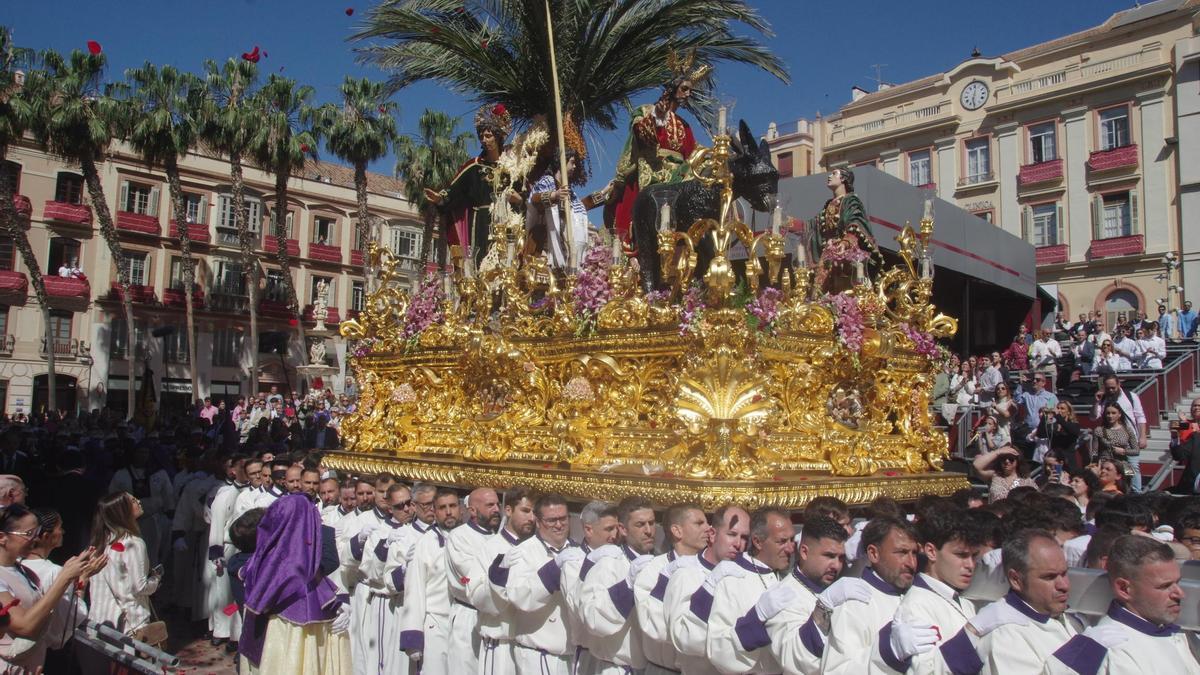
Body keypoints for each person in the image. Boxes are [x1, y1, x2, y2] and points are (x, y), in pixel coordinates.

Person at [1046, 535, 1199, 673]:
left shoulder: (1176, 632)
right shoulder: (1116, 650)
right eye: (1164, 586)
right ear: (1124, 589)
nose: (1180, 594)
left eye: (1177, 583)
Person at [238, 494, 351, 674]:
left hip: (266, 636)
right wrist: (338, 608)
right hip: (291, 634)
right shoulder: (299, 567)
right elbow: (314, 593)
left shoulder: (259, 560)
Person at [609, 52, 708, 248]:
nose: (689, 94)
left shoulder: (684, 125)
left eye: (690, 90)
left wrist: (713, 155)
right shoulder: (646, 111)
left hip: (680, 177)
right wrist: (656, 116)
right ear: (672, 88)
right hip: (652, 171)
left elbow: (694, 151)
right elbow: (640, 133)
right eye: (684, 89)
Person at [871, 507, 986, 674]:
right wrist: (972, 633)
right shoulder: (916, 606)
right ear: (931, 551)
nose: (970, 565)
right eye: (961, 555)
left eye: (974, 556)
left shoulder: (963, 600)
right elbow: (926, 671)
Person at [946, 529, 1078, 673]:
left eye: (1064, 574)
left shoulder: (1072, 620)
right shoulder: (1005, 636)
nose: (1064, 585)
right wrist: (1091, 648)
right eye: (1049, 577)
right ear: (1016, 579)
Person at [0, 504, 104, 673]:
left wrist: (77, 576)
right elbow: (25, 625)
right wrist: (64, 578)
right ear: (2, 537)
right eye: (28, 534)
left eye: (37, 531)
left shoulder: (22, 570)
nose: (36, 538)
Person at [819, 516, 920, 675]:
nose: (912, 563)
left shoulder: (919, 597)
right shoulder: (855, 604)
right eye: (902, 552)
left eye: (914, 553)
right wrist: (888, 652)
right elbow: (837, 670)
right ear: (874, 554)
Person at [491, 492, 574, 675]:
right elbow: (520, 597)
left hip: (571, 656)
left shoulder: (576, 552)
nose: (559, 525)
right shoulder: (523, 552)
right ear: (538, 520)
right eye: (552, 520)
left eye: (563, 519)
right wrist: (553, 570)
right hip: (537, 657)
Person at [705, 508, 795, 674]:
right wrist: (756, 618)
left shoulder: (789, 577)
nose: (790, 548)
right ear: (758, 542)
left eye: (792, 540)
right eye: (782, 541)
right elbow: (717, 650)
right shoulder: (733, 578)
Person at [425, 103, 514, 270]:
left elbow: (524, 194)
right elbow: (455, 188)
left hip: (507, 221)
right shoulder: (474, 166)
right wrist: (440, 198)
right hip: (481, 221)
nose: (484, 140)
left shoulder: (511, 167)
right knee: (481, 263)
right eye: (482, 136)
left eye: (488, 136)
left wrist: (517, 199)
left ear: (498, 136)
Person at [664, 505, 750, 675]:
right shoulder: (685, 576)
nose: (738, 544)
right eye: (732, 534)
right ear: (712, 535)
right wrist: (708, 588)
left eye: (744, 537)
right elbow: (683, 639)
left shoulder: (745, 577)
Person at [577, 495, 657, 674]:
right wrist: (627, 586)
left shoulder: (659, 563)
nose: (648, 530)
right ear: (623, 529)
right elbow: (592, 619)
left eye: (652, 523)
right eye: (640, 524)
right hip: (617, 668)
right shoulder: (609, 563)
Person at [633, 503, 709, 675]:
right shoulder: (654, 569)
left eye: (707, 523)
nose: (708, 529)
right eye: (699, 523)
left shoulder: (711, 570)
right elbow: (651, 623)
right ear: (677, 531)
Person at [397, 487, 461, 674]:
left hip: (464, 624)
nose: (448, 512)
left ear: (461, 509)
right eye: (442, 507)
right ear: (435, 510)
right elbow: (414, 591)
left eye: (452, 506)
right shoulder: (425, 544)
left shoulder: (471, 539)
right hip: (436, 624)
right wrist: (413, 636)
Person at [478, 486, 536, 674]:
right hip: (501, 645)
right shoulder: (489, 547)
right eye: (526, 511)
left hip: (530, 648)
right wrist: (499, 575)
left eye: (535, 512)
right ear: (508, 510)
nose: (532, 518)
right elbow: (477, 596)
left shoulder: (536, 548)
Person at [445, 486, 502, 675]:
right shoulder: (459, 537)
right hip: (468, 616)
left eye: (497, 504)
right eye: (489, 505)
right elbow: (474, 575)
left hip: (496, 618)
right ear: (472, 510)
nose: (496, 509)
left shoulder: (500, 537)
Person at [89, 492, 162, 636]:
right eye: (134, 501)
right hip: (130, 622)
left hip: (99, 619)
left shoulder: (99, 543)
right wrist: (156, 579)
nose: (139, 501)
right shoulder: (133, 543)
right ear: (123, 511)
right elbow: (140, 587)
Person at [527, 149, 608, 268]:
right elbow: (535, 199)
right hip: (546, 243)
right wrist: (554, 195)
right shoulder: (548, 181)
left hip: (565, 243)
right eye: (572, 162)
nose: (575, 166)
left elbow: (580, 206)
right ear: (561, 162)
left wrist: (604, 192)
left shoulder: (569, 191)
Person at [811, 167, 883, 295]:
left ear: (843, 178)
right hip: (827, 256)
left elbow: (856, 222)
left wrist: (846, 242)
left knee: (845, 291)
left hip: (845, 254)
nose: (829, 176)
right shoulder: (827, 206)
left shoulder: (851, 201)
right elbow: (812, 226)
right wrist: (787, 221)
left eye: (834, 173)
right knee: (819, 294)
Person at [1170, 398, 1200, 495]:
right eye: (1194, 405)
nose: (1196, 408)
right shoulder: (1188, 423)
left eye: (1199, 406)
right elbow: (1172, 425)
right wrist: (1175, 435)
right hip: (1190, 466)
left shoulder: (1188, 424)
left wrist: (1185, 423)